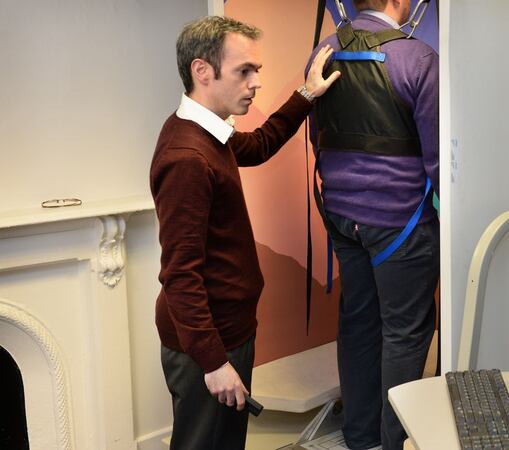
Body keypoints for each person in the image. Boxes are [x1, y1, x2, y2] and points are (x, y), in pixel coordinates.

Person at [150, 16, 340, 450]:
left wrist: (306, 94)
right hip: (210, 343)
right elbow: (180, 277)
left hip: (226, 332)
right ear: (203, 71)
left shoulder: (206, 132)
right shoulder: (187, 157)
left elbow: (259, 144)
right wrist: (214, 363)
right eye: (244, 71)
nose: (255, 81)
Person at [308, 1, 439, 449]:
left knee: (359, 322)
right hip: (400, 224)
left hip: (343, 220)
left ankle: (360, 437)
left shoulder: (323, 51)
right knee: (405, 332)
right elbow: (438, 157)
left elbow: (317, 135)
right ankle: (393, 443)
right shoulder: (418, 59)